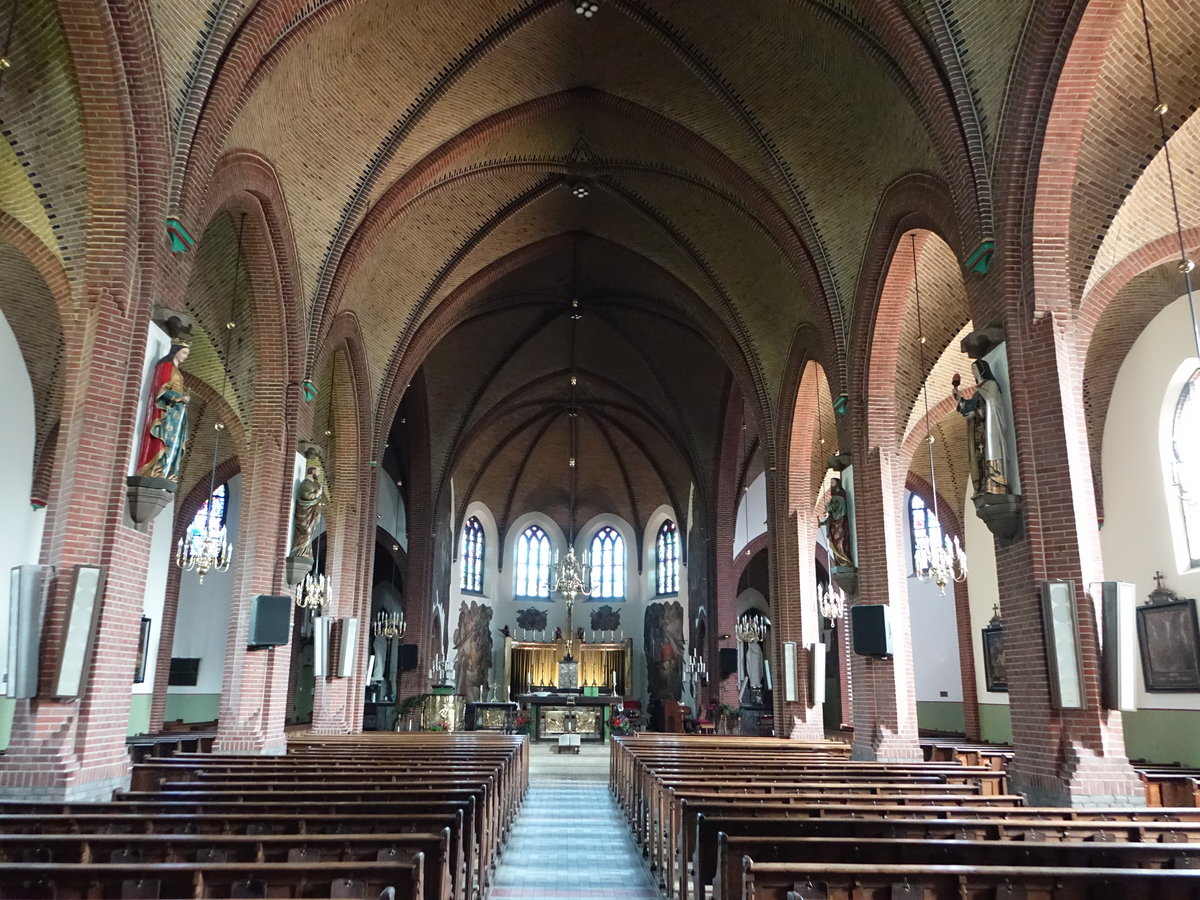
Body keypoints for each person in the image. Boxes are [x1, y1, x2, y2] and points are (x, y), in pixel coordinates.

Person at [952, 360, 1011, 495]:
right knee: (980, 455)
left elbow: (991, 405)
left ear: (982, 369)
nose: (973, 372)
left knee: (990, 451)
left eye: (975, 368)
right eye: (972, 369)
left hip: (990, 428)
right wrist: (959, 399)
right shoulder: (977, 391)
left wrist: (976, 413)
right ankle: (983, 483)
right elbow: (972, 406)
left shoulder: (991, 386)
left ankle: (995, 480)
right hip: (980, 429)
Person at [135, 341, 190, 481]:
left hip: (178, 412)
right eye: (184, 352)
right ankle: (158, 470)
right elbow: (160, 389)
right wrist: (178, 398)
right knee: (167, 441)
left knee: (177, 444)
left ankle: (169, 473)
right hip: (167, 411)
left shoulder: (176, 370)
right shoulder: (165, 366)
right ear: (175, 351)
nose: (186, 356)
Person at [289, 449, 328, 557]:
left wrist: (319, 493)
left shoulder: (314, 484)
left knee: (310, 532)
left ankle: (306, 552)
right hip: (304, 513)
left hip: (311, 512)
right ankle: (299, 551)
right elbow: (305, 496)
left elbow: (317, 496)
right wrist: (317, 494)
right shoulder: (305, 483)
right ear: (312, 472)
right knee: (306, 530)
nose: (319, 474)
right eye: (318, 472)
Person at [821, 476, 853, 568]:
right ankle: (839, 562)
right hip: (834, 524)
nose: (831, 484)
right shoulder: (834, 497)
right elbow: (831, 515)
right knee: (834, 543)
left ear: (838, 484)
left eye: (833, 482)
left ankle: (845, 560)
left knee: (841, 541)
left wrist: (829, 506)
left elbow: (839, 507)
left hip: (840, 523)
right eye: (831, 483)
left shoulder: (841, 494)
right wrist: (823, 523)